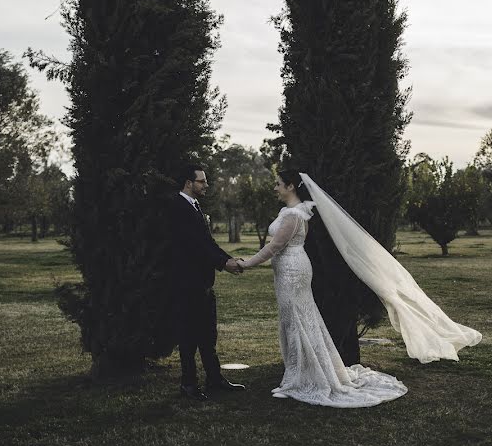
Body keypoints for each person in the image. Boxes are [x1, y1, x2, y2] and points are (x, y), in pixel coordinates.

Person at [237, 170, 408, 407]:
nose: (275, 188)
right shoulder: (290, 212)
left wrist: (246, 264)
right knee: (294, 321)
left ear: (290, 187)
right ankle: (298, 372)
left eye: (278, 184)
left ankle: (296, 380)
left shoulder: (295, 215)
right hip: (287, 271)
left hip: (293, 272)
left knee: (297, 322)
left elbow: (274, 247)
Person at [169, 163, 246, 401]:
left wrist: (227, 260)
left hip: (203, 283)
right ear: (188, 183)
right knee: (189, 336)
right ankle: (188, 385)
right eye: (201, 181)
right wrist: (225, 264)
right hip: (187, 283)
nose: (206, 185)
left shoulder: (194, 207)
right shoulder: (179, 207)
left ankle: (214, 378)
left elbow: (208, 243)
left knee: (207, 335)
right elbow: (197, 246)